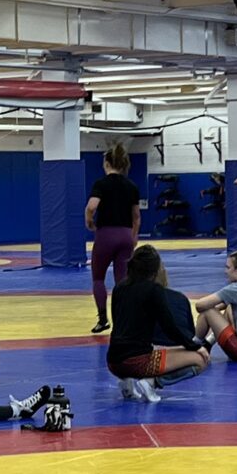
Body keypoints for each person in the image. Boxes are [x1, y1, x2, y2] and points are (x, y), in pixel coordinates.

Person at [107, 244, 209, 402]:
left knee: (146, 347)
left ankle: (127, 381)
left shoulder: (119, 288)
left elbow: (118, 324)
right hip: (137, 362)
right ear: (156, 270)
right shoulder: (154, 290)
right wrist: (196, 346)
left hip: (113, 361)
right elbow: (170, 328)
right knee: (200, 360)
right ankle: (151, 383)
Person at [85, 143, 141, 334]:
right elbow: (136, 216)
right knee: (123, 281)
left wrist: (89, 221)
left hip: (106, 235)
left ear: (107, 163)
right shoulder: (131, 186)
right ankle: (123, 320)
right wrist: (133, 237)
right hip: (125, 235)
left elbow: (92, 206)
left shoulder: (101, 184)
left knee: (98, 278)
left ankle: (103, 320)